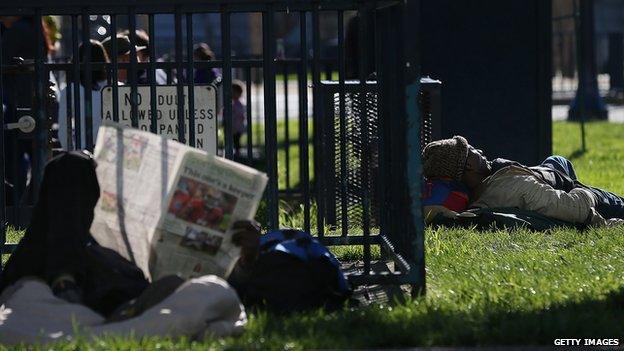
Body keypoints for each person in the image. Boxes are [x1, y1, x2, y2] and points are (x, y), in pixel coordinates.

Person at [0, 151, 262, 319]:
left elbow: (228, 293)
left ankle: (68, 282)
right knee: (72, 164)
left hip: (129, 289)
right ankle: (64, 280)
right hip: (58, 271)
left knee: (71, 167)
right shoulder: (60, 235)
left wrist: (246, 260)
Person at [422, 135, 624, 226]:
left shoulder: (481, 192)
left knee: (556, 161)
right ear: (467, 166)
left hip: (543, 176)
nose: (480, 151)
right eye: (472, 151)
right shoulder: (515, 188)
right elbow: (574, 208)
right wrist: (587, 193)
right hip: (580, 199)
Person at [57, 40, 109, 150]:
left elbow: (64, 130)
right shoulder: (114, 88)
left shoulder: (70, 91)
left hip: (83, 150)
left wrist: (70, 151)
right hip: (110, 150)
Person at [230, 81, 247, 155]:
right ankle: (234, 152)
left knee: (236, 140)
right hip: (233, 125)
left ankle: (237, 152)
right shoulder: (232, 103)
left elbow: (240, 114)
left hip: (237, 126)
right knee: (233, 140)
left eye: (234, 92)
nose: (232, 94)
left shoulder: (239, 104)